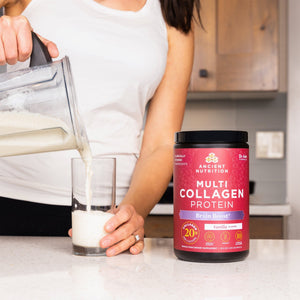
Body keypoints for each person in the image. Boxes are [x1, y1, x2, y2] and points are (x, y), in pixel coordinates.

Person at [0, 0, 201, 256]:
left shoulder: (172, 11)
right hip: (9, 201)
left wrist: (130, 216)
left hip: (107, 221)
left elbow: (160, 144)